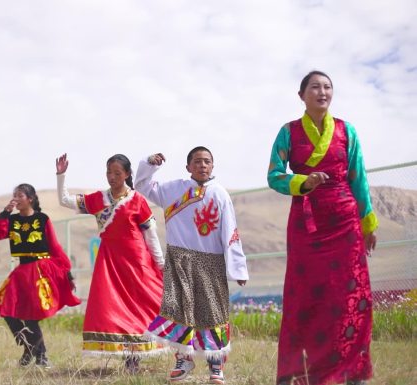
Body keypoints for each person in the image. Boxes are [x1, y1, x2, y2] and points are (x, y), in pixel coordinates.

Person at [267, 71, 378, 385]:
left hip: (345, 221)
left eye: (327, 87)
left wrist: (367, 221)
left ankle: (353, 371)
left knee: (352, 294)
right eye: (314, 87)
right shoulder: (288, 133)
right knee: (305, 297)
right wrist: (304, 181)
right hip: (307, 223)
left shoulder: (347, 131)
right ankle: (300, 372)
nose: (322, 92)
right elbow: (274, 175)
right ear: (301, 95)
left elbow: (359, 178)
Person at [135, 147, 249, 384]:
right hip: (179, 261)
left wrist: (237, 267)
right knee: (178, 310)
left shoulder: (220, 194)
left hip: (211, 262)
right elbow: (142, 185)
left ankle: (215, 364)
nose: (203, 165)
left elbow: (231, 232)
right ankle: (183, 358)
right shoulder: (172, 190)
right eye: (197, 161)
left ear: (213, 166)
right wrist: (149, 163)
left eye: (207, 161)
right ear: (188, 167)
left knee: (213, 312)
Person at [56, 153, 166, 372]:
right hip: (110, 263)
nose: (112, 177)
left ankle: (137, 357)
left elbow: (151, 235)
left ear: (126, 174)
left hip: (136, 262)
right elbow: (64, 200)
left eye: (117, 173)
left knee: (140, 305)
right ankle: (128, 359)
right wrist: (61, 175)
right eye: (109, 172)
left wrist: (161, 264)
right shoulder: (99, 199)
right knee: (114, 307)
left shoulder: (137, 200)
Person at [0, 184, 80, 368]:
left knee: (31, 316)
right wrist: (5, 213)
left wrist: (66, 271)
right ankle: (29, 346)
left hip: (41, 271)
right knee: (6, 308)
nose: (16, 198)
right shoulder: (12, 220)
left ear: (30, 199)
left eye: (20, 195)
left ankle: (41, 356)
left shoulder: (42, 219)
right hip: (22, 271)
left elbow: (54, 246)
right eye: (14, 195)